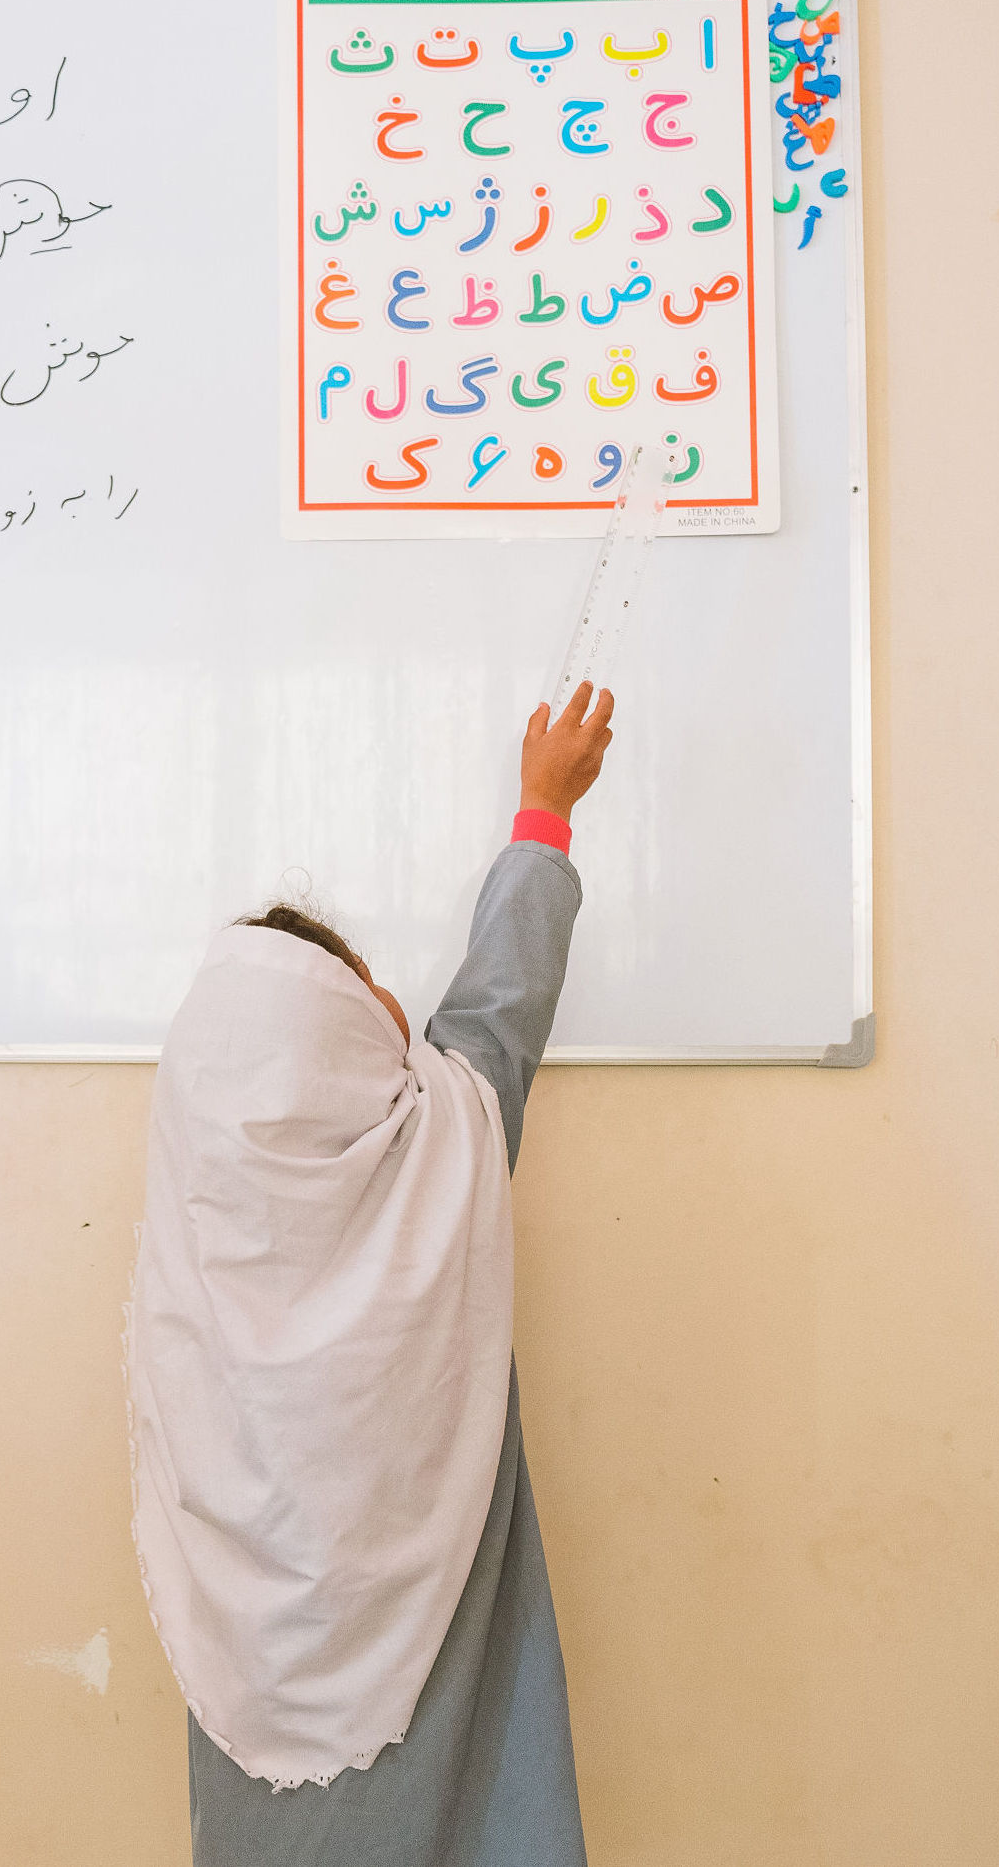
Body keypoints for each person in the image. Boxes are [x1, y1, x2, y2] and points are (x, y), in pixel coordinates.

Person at [126, 683, 616, 1867]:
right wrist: (544, 809)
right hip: (444, 1628)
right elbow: (501, 1002)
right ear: (344, 1032)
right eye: (366, 987)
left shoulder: (193, 1221)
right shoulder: (446, 1143)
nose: (394, 1005)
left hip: (250, 1669)